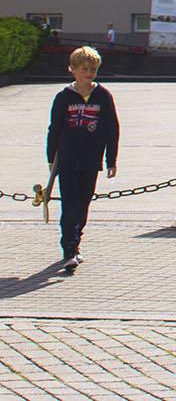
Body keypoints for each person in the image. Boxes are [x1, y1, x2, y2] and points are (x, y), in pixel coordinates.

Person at [45, 46, 120, 271]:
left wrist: (111, 160)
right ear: (73, 69)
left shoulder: (103, 96)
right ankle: (69, 249)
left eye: (93, 69)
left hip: (90, 159)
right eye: (84, 69)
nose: (89, 73)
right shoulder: (64, 97)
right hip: (67, 160)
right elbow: (54, 129)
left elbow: (112, 129)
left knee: (83, 206)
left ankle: (76, 243)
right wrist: (51, 158)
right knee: (69, 205)